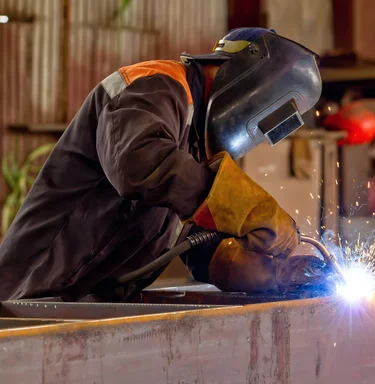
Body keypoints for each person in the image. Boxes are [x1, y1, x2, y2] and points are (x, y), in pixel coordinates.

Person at [0, 28, 327, 301]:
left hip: (85, 310)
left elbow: (198, 244)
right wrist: (248, 208)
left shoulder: (198, 145)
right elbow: (140, 163)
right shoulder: (156, 85)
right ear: (254, 84)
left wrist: (272, 274)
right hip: (26, 298)